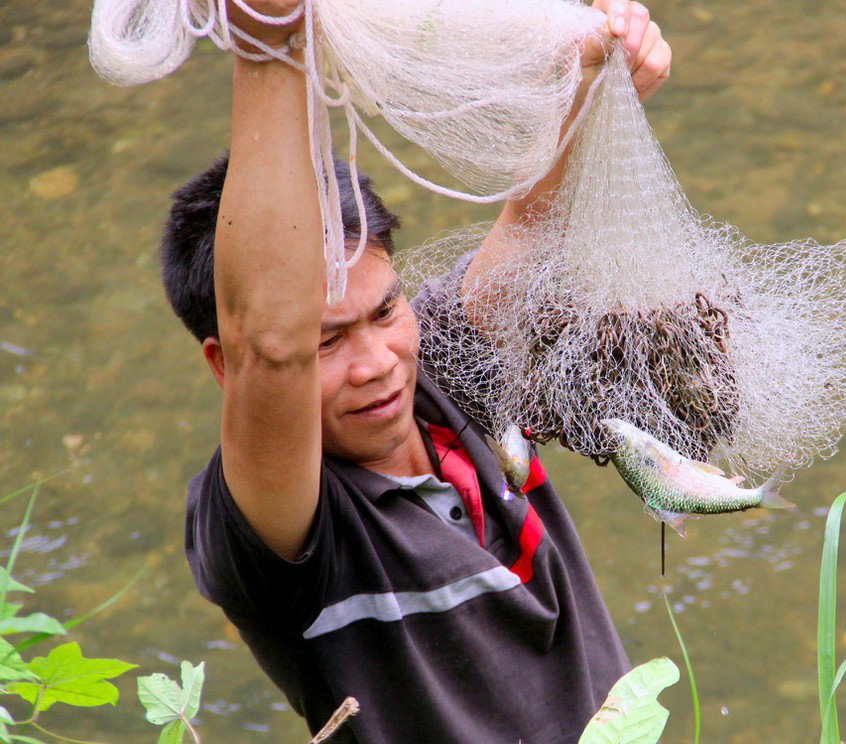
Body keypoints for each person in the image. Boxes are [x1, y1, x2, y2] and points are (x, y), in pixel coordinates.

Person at [162, 1, 672, 741]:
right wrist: (269, 38)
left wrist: (594, 77)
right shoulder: (286, 527)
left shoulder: (442, 370)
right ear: (225, 366)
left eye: (384, 311)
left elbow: (531, 223)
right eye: (325, 344)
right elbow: (269, 344)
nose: (378, 364)